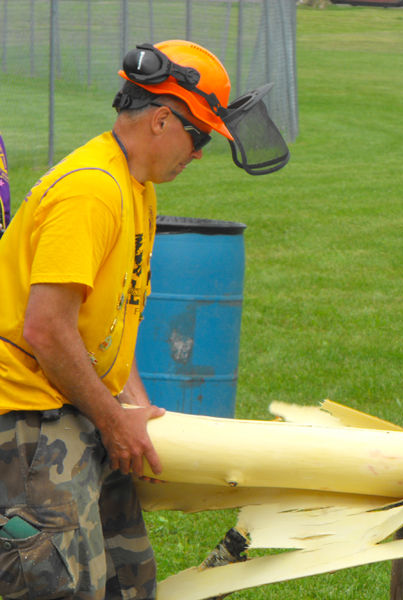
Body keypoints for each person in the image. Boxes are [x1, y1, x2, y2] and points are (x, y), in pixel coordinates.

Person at [0, 39, 288, 600]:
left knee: (129, 581)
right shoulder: (92, 190)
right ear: (162, 120)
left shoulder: (137, 187)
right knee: (54, 584)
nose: (200, 152)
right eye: (200, 136)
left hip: (77, 406)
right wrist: (112, 419)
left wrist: (129, 404)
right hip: (29, 421)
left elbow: (113, 318)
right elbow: (46, 328)